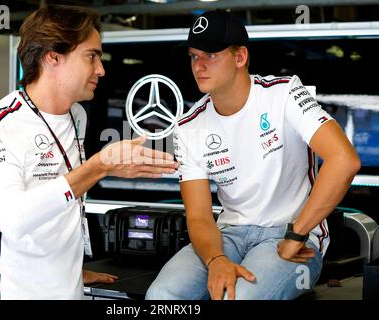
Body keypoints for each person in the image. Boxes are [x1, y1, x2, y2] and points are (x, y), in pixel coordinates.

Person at [0, 5, 177, 300]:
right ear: (53, 57)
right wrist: (99, 166)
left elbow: (60, 204)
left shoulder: (77, 116)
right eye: (92, 56)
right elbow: (14, 219)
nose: (101, 69)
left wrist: (69, 269)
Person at [146, 9, 360, 300]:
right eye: (194, 56)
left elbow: (344, 160)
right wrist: (215, 259)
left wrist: (297, 233)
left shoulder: (284, 94)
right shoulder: (188, 126)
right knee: (162, 295)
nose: (199, 66)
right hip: (227, 236)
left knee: (241, 297)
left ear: (240, 57)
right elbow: (198, 217)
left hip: (291, 237)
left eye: (210, 55)